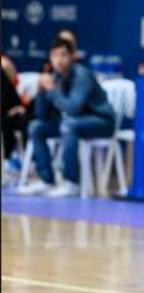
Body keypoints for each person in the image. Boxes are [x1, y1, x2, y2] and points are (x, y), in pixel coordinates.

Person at [18, 37, 116, 198]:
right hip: (73, 123)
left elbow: (73, 108)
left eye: (63, 55)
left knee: (68, 125)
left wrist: (52, 91)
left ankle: (71, 182)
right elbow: (41, 115)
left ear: (72, 56)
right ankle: (46, 180)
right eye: (54, 55)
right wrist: (42, 92)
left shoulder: (82, 75)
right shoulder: (54, 77)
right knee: (36, 127)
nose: (59, 60)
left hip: (101, 122)